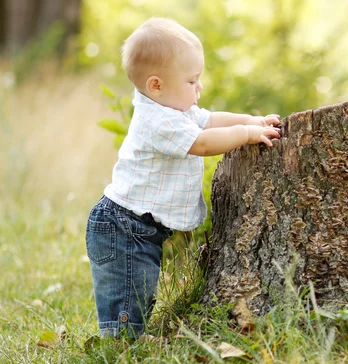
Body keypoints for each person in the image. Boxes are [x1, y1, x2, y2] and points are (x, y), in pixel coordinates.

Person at [86, 17, 281, 339]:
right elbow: (202, 143)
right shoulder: (158, 121)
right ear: (156, 85)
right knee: (128, 291)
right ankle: (120, 345)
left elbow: (210, 121)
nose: (199, 87)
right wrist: (246, 133)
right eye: (191, 81)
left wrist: (251, 119)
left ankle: (130, 336)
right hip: (123, 227)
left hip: (137, 225)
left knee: (140, 285)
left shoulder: (175, 110)